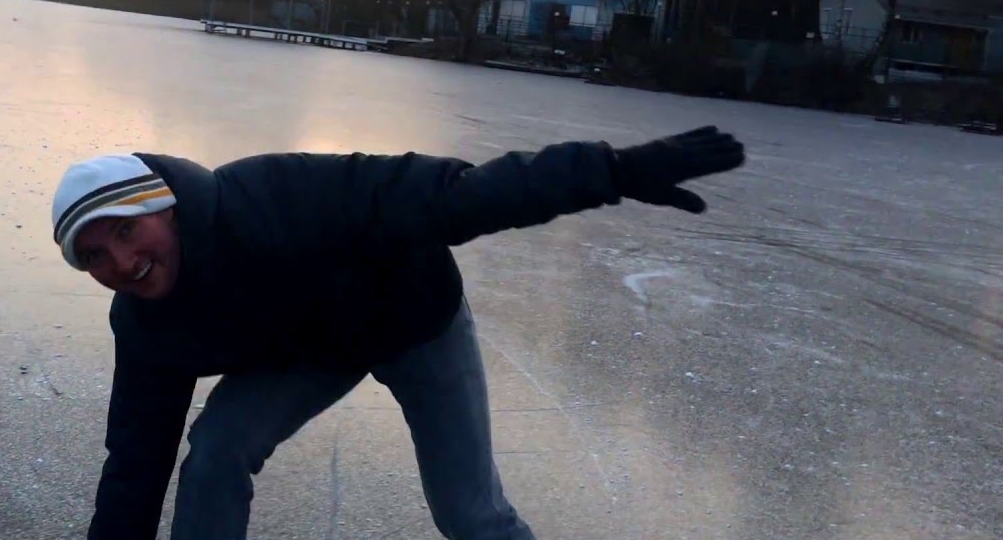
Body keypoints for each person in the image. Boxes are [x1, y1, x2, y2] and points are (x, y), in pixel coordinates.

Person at [51, 126, 745, 540]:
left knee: (470, 514)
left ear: (163, 209)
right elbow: (136, 464)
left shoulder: (276, 199)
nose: (122, 262)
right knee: (216, 452)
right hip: (309, 352)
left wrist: (609, 171)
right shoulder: (148, 320)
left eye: (124, 231)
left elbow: (452, 195)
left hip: (414, 322)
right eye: (94, 257)